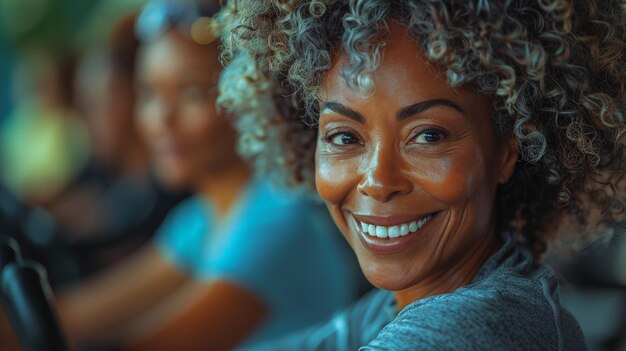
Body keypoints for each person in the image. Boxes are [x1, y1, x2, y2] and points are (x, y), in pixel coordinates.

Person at [217, 0, 626, 349]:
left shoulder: (474, 327)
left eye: (427, 135)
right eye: (344, 136)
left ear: (505, 151)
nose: (378, 180)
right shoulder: (404, 302)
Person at [54, 1, 363, 350]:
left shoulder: (278, 217)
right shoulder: (199, 220)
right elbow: (75, 314)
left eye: (192, 92)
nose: (162, 119)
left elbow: (145, 345)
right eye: (149, 93)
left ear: (250, 96)